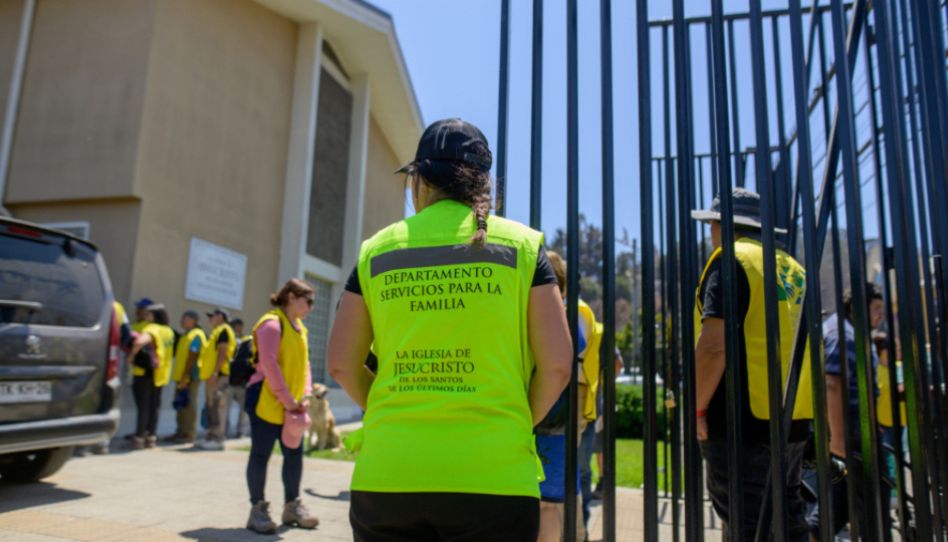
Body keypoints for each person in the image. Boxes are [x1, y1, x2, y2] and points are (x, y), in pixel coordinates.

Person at [327, 118, 572, 542]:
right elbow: (558, 367)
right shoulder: (523, 246)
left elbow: (341, 365)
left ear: (418, 179)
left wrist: (389, 411)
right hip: (495, 478)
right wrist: (513, 422)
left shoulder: (377, 249)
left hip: (390, 475)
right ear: (483, 183)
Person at [691, 188, 813, 541]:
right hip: (793, 418)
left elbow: (715, 346)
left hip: (741, 422)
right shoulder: (793, 268)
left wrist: (697, 410)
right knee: (786, 521)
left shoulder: (731, 260)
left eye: (712, 225)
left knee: (747, 523)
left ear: (721, 226)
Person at [807, 283, 887, 536]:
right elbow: (832, 384)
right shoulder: (844, 334)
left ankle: (813, 534)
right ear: (857, 309)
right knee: (872, 498)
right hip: (850, 426)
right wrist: (838, 438)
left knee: (843, 502)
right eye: (875, 309)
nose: (880, 315)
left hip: (855, 424)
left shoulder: (851, 333)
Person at [245, 279, 320, 533]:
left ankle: (292, 507)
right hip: (266, 398)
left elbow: (305, 365)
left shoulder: (300, 329)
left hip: (294, 404)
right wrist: (288, 400)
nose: (311, 307)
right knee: (261, 454)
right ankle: (257, 510)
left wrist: (306, 394)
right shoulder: (271, 324)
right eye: (307, 301)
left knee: (293, 455)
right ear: (291, 297)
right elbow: (269, 364)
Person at [536, 250, 600, 542]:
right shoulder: (571, 315)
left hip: (533, 418)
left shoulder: (537, 311)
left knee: (534, 502)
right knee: (549, 504)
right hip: (560, 418)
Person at [127, 304, 175, 449]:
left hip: (146, 372)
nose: (146, 317)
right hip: (160, 373)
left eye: (149, 314)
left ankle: (139, 437)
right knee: (155, 406)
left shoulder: (152, 328)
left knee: (143, 405)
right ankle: (151, 437)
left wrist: (131, 355)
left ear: (155, 316)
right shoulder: (169, 331)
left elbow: (140, 341)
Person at [195, 308, 236, 451]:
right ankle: (210, 436)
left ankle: (217, 439)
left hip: (219, 376)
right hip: (213, 376)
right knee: (211, 407)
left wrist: (215, 373)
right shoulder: (217, 331)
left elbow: (222, 353)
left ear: (221, 317)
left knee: (218, 407)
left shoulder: (224, 331)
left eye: (212, 316)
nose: (210, 319)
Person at [167, 310, 206, 444]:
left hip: (190, 376)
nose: (182, 321)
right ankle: (180, 432)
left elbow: (192, 356)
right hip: (181, 376)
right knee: (180, 404)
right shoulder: (186, 335)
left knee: (188, 404)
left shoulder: (196, 335)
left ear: (194, 321)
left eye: (185, 318)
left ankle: (189, 433)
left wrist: (185, 376)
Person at [227, 318, 251, 438]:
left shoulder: (247, 341)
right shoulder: (242, 341)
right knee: (226, 407)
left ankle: (241, 431)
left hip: (241, 380)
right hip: (231, 379)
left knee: (243, 408)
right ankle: (229, 430)